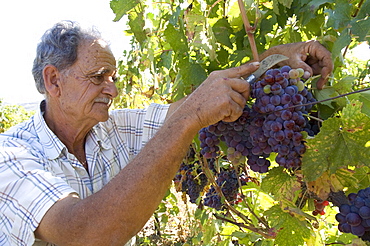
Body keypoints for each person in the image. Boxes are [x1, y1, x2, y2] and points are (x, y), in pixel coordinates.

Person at [0, 20, 333, 246]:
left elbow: (196, 103)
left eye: (113, 77)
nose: (113, 90)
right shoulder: (11, 155)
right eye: (99, 77)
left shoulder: (114, 130)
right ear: (54, 80)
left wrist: (272, 63)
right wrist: (188, 118)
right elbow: (83, 233)